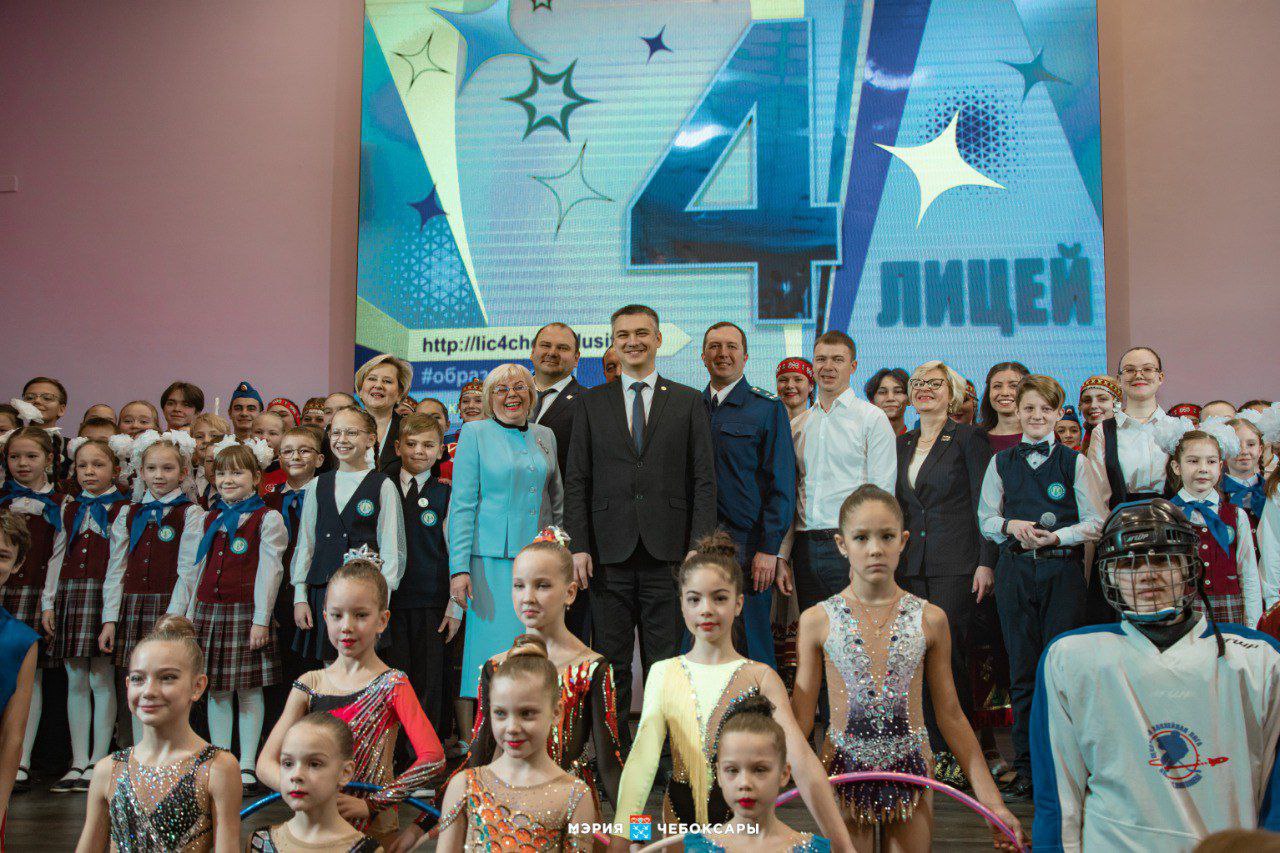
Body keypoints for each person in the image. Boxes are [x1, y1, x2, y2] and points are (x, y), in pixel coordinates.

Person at [1032, 499, 1280, 851]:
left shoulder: (1259, 659)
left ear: (1188, 566)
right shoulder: (1070, 658)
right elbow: (1057, 798)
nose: (1147, 574)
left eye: (1162, 559)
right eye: (1128, 563)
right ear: (1109, 575)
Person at [791, 487, 1022, 851]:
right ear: (841, 544)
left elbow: (951, 716)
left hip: (911, 771)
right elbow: (800, 721)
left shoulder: (930, 618)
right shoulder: (817, 620)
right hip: (843, 773)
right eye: (861, 538)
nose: (875, 549)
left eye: (886, 536)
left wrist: (993, 804)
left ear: (903, 540)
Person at [611, 533, 851, 850]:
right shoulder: (664, 673)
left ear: (738, 603)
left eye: (719, 598)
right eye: (694, 599)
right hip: (678, 820)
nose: (706, 609)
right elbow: (641, 765)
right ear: (681, 603)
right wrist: (626, 839)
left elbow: (802, 761)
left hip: (745, 823)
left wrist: (843, 845)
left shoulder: (760, 677)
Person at [563, 304, 716, 745]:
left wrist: (698, 545)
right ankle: (613, 753)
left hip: (669, 553)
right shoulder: (591, 402)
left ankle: (664, 753)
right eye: (624, 334)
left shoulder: (688, 400)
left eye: (642, 333)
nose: (633, 342)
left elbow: (704, 479)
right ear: (613, 342)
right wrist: (578, 546)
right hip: (606, 553)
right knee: (610, 662)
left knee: (664, 663)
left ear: (658, 339)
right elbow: (577, 479)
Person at [977, 375, 1106, 798]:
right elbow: (986, 519)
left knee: (1062, 671)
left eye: (1045, 410)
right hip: (1015, 571)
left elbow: (1095, 522)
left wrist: (1057, 537)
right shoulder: (1001, 462)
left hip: (1062, 573)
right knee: (1022, 672)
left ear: (1058, 413)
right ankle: (1027, 769)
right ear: (1017, 410)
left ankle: (1067, 768)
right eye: (1029, 408)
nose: (1036, 416)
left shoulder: (1075, 462)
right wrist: (1010, 525)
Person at [258, 560, 445, 846]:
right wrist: (310, 789)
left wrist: (375, 802)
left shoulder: (392, 684)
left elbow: (433, 758)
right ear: (325, 617)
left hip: (373, 828)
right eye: (337, 615)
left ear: (382, 620)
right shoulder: (309, 685)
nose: (346, 626)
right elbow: (265, 765)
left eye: (360, 615)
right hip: (313, 825)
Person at [449, 533, 623, 817]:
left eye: (542, 585)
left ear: (570, 592)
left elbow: (612, 767)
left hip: (571, 813)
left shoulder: (592, 668)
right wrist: (423, 825)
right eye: (519, 585)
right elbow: (477, 755)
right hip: (509, 813)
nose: (528, 597)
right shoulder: (496, 667)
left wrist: (637, 834)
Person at [894, 361, 996, 787]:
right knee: (914, 656)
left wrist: (986, 561)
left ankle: (958, 755)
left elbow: (985, 503)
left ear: (951, 392)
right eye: (918, 383)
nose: (924, 389)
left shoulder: (969, 437)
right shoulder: (902, 442)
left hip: (957, 565)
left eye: (935, 383)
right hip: (909, 567)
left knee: (949, 658)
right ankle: (925, 750)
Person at [168, 438, 286, 795]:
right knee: (217, 688)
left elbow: (270, 572)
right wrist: (182, 614)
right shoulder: (208, 517)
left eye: (237, 473)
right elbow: (192, 570)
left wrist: (261, 619)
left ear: (256, 477)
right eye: (221, 474)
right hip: (208, 611)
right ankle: (221, 758)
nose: (228, 480)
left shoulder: (267, 518)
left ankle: (247, 763)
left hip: (245, 611)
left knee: (248, 689)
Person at [75, 615, 242, 852]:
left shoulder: (217, 768)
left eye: (167, 678)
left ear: (197, 686)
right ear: (127, 685)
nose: (149, 691)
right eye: (138, 679)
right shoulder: (108, 770)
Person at [449, 363, 561, 710]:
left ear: (531, 394)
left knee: (534, 655)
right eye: (501, 389)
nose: (511, 395)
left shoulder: (546, 435)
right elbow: (462, 505)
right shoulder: (474, 433)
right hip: (490, 565)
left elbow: (556, 501)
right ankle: (486, 735)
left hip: (539, 562)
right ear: (489, 398)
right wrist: (458, 569)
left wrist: (560, 553)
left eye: (519, 387)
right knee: (491, 659)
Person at [434, 638, 595, 853]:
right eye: (500, 713)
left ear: (556, 712)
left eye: (527, 713)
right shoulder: (464, 786)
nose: (512, 727)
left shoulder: (575, 796)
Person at [701, 322, 796, 667]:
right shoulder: (690, 407)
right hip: (698, 543)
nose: (722, 354)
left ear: (745, 356)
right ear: (702, 356)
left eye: (731, 346)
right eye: (714, 346)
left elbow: (782, 485)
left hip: (749, 546)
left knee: (753, 645)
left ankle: (763, 704)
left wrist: (769, 549)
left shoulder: (767, 408)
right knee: (701, 642)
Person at [102, 430, 204, 746]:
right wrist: (110, 618)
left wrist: (173, 617)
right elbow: (116, 568)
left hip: (167, 607)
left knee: (168, 677)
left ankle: (169, 747)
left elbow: (188, 571)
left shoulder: (191, 513)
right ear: (141, 472)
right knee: (136, 679)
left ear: (183, 473)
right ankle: (137, 750)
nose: (159, 475)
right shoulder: (128, 512)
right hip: (132, 606)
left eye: (167, 468)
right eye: (152, 468)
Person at [783, 330, 896, 614]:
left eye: (837, 359)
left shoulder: (871, 418)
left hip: (852, 544)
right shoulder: (799, 425)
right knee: (815, 634)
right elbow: (790, 493)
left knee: (858, 633)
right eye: (821, 359)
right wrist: (783, 555)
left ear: (853, 366)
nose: (828, 367)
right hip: (804, 545)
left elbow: (882, 494)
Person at [40, 438, 128, 792]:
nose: (89, 472)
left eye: (98, 465)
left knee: (101, 678)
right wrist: (48, 601)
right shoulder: (70, 507)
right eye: (82, 466)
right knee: (75, 678)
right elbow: (57, 555)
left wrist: (111, 616)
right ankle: (77, 761)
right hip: (71, 594)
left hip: (103, 594)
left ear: (115, 470)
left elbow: (120, 564)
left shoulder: (124, 508)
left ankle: (98, 759)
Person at [290, 406, 404, 662]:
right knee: (330, 667)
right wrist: (300, 597)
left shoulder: (383, 485)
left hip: (365, 594)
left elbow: (390, 549)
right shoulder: (318, 485)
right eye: (336, 432)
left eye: (351, 433)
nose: (342, 439)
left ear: (370, 439)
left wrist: (382, 602)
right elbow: (306, 544)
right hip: (323, 591)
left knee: (362, 667)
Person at [383, 414, 458, 737]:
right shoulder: (382, 487)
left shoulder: (447, 493)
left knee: (429, 680)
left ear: (441, 450)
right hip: (391, 601)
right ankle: (395, 752)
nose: (418, 451)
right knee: (394, 678)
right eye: (411, 444)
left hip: (432, 600)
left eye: (428, 445)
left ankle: (426, 751)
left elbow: (455, 549)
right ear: (397, 447)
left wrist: (455, 605)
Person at [0, 426, 64, 790]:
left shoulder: (61, 503)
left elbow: (58, 554)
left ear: (49, 459)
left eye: (31, 456)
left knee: (31, 675)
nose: (22, 463)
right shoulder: (3, 501)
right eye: (14, 457)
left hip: (37, 593)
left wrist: (48, 602)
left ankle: (21, 758)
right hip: (6, 593)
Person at [684, 695, 831, 852]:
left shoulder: (814, 849)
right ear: (719, 774)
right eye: (732, 770)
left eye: (759, 770)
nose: (745, 783)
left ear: (784, 773)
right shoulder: (697, 848)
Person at [1165, 428, 1262, 627]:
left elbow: (1249, 574)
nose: (1203, 468)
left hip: (1230, 609)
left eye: (1210, 462)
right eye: (1193, 461)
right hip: (1182, 610)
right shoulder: (1165, 516)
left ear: (1220, 466)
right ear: (1176, 466)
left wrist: (1253, 626)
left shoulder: (1236, 515)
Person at [529, 323, 588, 639]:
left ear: (577, 358)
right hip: (509, 539)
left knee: (562, 635)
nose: (552, 353)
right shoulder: (506, 397)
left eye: (563, 348)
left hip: (564, 537)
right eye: (546, 345)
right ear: (532, 352)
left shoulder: (590, 403)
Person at [247, 712, 380, 853]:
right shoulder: (259, 842)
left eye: (314, 764)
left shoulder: (365, 850)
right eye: (288, 763)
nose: (296, 775)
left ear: (345, 773)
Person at [264, 427, 325, 722]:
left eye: (304, 450)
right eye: (287, 451)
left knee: (311, 665)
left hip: (313, 591)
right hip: (278, 593)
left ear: (320, 459)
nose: (295, 457)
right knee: (280, 666)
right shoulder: (268, 500)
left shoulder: (328, 496)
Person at [1087, 346, 1175, 507]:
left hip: (1173, 519)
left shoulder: (1179, 428)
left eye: (1147, 369)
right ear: (1119, 379)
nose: (1138, 375)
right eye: (1129, 370)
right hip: (1118, 519)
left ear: (1160, 377)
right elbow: (1096, 496)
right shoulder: (1103, 432)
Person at [0, 512, 40, 841]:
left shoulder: (21, 640)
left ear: (17, 564)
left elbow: (12, 737)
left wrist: (0, 806)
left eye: (2, 556)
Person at [355, 354, 414, 471]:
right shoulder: (339, 429)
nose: (378, 385)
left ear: (400, 393)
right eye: (372, 379)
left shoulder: (412, 431)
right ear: (360, 390)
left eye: (387, 381)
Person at [20, 377, 71, 481]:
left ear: (61, 409)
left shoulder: (71, 448)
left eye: (47, 398)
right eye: (29, 398)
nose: (37, 401)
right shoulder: (8, 441)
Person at [1222, 417, 1267, 525]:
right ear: (1223, 450)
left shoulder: (1271, 490)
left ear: (1260, 450)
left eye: (1251, 444)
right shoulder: (1215, 492)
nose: (1244, 451)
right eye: (1236, 445)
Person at [977, 362, 1029, 453]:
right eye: (997, 386)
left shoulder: (1043, 437)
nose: (1005, 392)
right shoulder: (975, 439)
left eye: (1014, 386)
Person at [191, 414, 232, 508]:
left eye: (214, 436)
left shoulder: (233, 480)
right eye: (199, 436)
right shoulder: (186, 477)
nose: (206, 440)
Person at [1077, 374, 1121, 455]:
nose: (1093, 405)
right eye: (1087, 400)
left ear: (1116, 403)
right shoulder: (1082, 445)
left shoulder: (1129, 440)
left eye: (1102, 399)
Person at [865, 367, 910, 436]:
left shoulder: (920, 441)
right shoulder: (859, 441)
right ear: (872, 401)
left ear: (909, 400)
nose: (890, 398)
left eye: (898, 391)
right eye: (882, 392)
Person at [253, 411, 290, 496]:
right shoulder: (242, 466)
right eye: (258, 432)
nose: (264, 438)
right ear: (250, 434)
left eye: (272, 433)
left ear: (283, 436)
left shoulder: (289, 470)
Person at [775, 357, 815, 421]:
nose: (790, 385)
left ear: (811, 386)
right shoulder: (762, 424)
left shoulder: (823, 424)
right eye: (783, 380)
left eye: (798, 380)